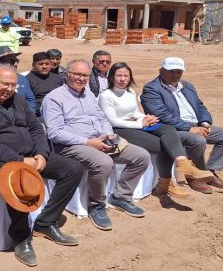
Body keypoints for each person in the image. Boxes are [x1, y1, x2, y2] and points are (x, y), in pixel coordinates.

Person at [0, 65, 83, 267]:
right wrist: (18, 160)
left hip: (29, 157)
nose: (10, 89)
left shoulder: (17, 100)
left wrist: (41, 153)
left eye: (13, 85)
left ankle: (46, 222)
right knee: (19, 178)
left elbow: (35, 127)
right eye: (5, 84)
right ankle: (21, 237)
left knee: (72, 169)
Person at [42, 59, 150, 231]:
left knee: (141, 156)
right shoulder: (54, 98)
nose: (81, 78)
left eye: (85, 75)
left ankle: (121, 196)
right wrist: (88, 142)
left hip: (99, 139)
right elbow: (55, 133)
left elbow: (101, 118)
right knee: (103, 162)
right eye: (77, 74)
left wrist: (108, 134)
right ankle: (97, 205)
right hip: (72, 145)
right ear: (66, 75)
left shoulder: (89, 94)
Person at [98, 62, 214, 199]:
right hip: (120, 129)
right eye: (119, 76)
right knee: (163, 145)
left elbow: (134, 113)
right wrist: (141, 124)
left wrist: (147, 117)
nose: (122, 79)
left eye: (126, 76)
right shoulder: (106, 95)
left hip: (137, 123)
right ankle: (165, 182)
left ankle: (182, 164)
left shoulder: (130, 92)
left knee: (168, 129)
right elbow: (112, 121)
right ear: (112, 77)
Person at [141, 57, 223, 193]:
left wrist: (205, 122)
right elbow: (161, 115)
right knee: (198, 140)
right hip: (172, 130)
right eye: (171, 71)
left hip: (196, 125)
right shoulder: (151, 89)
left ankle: (209, 172)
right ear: (161, 71)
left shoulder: (187, 86)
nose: (175, 75)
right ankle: (194, 177)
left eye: (179, 72)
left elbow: (199, 105)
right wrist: (189, 128)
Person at [25, 52, 62, 117]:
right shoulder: (27, 80)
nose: (44, 67)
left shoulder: (57, 78)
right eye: (41, 64)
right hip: (39, 115)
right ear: (33, 65)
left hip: (60, 111)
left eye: (47, 64)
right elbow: (27, 102)